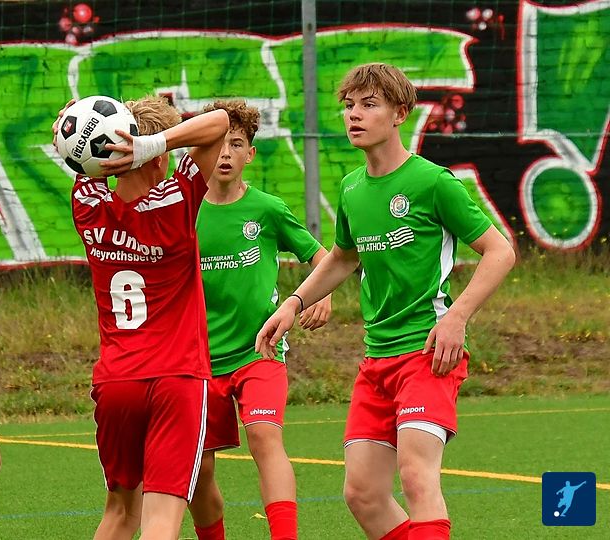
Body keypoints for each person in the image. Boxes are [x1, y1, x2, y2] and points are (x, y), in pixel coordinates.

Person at [255, 63, 515, 540]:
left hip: (427, 353)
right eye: (349, 105)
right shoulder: (352, 188)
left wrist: (456, 317)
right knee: (363, 494)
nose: (354, 115)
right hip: (377, 359)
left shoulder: (433, 182)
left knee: (416, 476)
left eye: (369, 105)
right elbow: (342, 257)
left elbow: (500, 252)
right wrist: (293, 302)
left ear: (400, 114)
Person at [54, 96, 229, 540]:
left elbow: (82, 156)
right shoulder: (178, 201)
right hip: (176, 378)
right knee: (161, 517)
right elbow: (219, 122)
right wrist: (156, 141)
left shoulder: (88, 204)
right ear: (156, 156)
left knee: (120, 512)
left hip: (116, 382)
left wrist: (75, 130)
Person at [188, 99, 332, 540]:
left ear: (250, 153)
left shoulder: (267, 209)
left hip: (259, 351)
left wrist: (321, 295)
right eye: (217, 144)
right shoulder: (185, 211)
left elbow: (323, 257)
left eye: (236, 144)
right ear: (200, 153)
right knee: (198, 467)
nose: (225, 153)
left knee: (265, 438)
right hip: (199, 360)